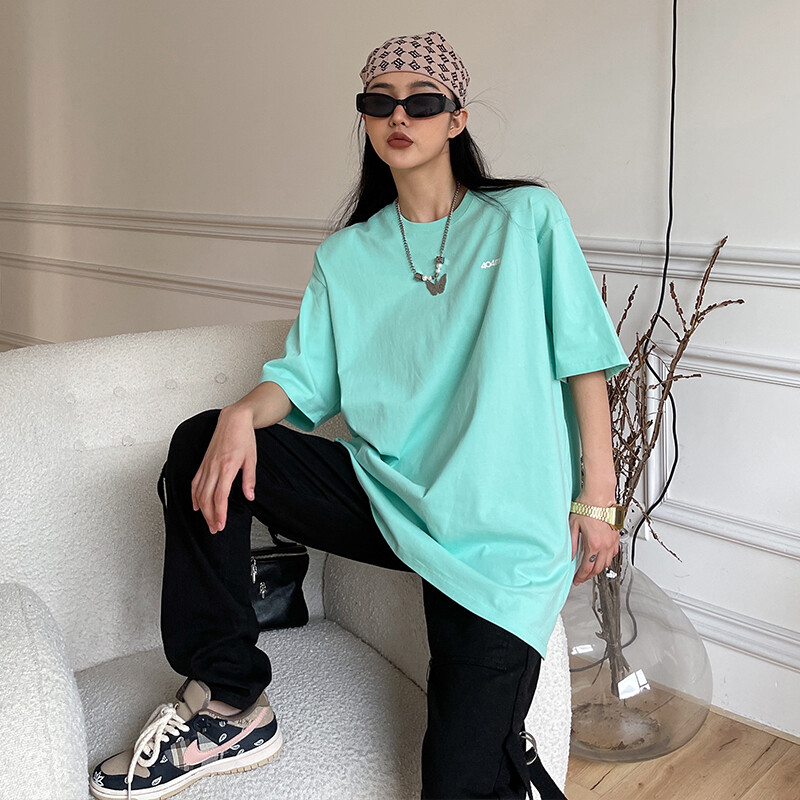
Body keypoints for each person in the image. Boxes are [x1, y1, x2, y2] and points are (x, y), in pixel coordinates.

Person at [89, 30, 629, 800]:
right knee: (200, 443)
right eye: (380, 102)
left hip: (500, 536)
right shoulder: (347, 258)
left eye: (421, 101)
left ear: (457, 118)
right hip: (388, 497)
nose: (398, 116)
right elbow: (304, 380)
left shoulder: (525, 219)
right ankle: (232, 701)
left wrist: (597, 498)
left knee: (458, 781)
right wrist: (243, 412)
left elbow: (583, 358)